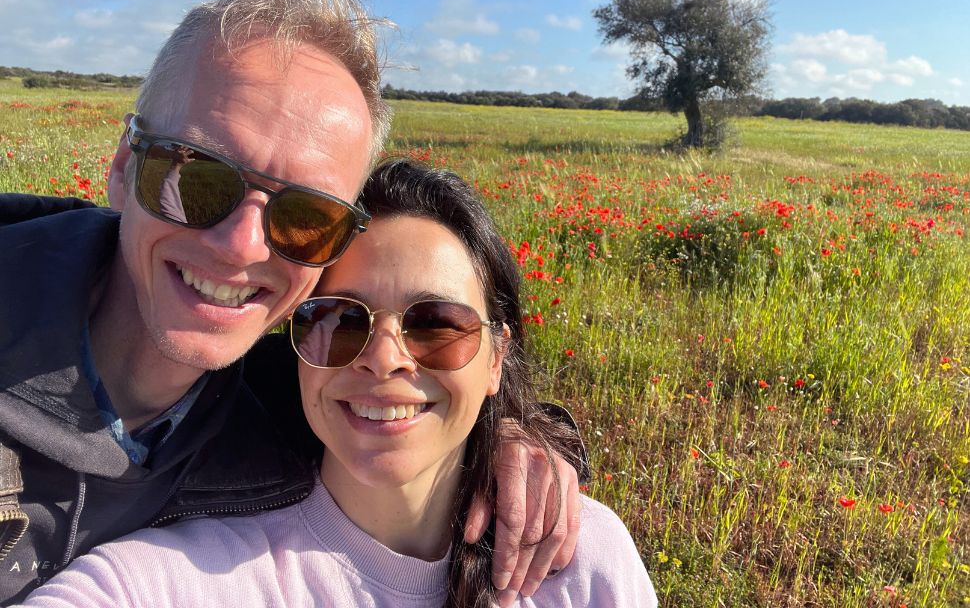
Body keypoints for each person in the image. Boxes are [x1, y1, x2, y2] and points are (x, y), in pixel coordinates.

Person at [0, 0, 581, 604]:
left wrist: (517, 441)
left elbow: (409, 401)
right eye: (196, 178)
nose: (242, 247)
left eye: (305, 216)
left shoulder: (281, 402)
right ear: (122, 166)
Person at [12, 159, 658, 608]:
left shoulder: (581, 559)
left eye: (436, 323)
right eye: (339, 320)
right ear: (295, 347)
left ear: (496, 358)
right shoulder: (177, 578)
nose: (383, 358)